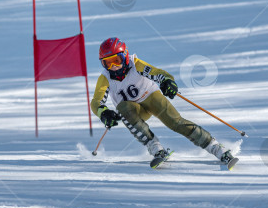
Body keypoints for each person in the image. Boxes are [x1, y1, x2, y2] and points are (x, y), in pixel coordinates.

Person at [90, 37, 238, 169]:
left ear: (125, 56)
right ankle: (155, 147)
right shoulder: (105, 78)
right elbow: (96, 102)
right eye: (107, 63)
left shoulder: (135, 64)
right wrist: (103, 113)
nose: (113, 66)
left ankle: (217, 148)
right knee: (122, 108)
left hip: (151, 98)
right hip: (133, 110)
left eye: (117, 60)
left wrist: (167, 81)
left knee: (175, 122)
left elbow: (157, 73)